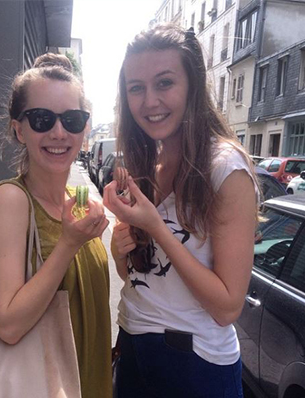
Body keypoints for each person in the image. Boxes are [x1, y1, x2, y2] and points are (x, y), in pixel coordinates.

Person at [104, 24, 259, 398]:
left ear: (191, 86)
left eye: (164, 83)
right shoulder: (149, 165)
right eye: (136, 88)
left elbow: (226, 308)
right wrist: (120, 246)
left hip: (195, 367)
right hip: (133, 345)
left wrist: (156, 227)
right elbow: (137, 280)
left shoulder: (225, 169)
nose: (149, 101)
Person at [0, 53, 111, 398]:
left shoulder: (79, 202)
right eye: (41, 119)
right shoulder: (12, 200)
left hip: (90, 381)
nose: (58, 132)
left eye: (72, 119)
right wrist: (69, 244)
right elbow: (8, 325)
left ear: (85, 128)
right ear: (19, 129)